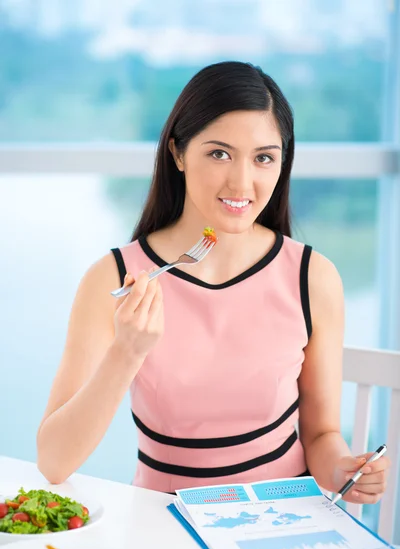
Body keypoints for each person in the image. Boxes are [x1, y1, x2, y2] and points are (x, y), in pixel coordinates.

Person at [37, 61, 390, 502]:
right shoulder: (113, 279)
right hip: (164, 522)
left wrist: (342, 470)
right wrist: (126, 352)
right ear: (178, 153)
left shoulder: (313, 277)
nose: (242, 182)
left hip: (282, 519)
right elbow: (54, 462)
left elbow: (320, 435)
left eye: (264, 158)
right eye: (219, 153)